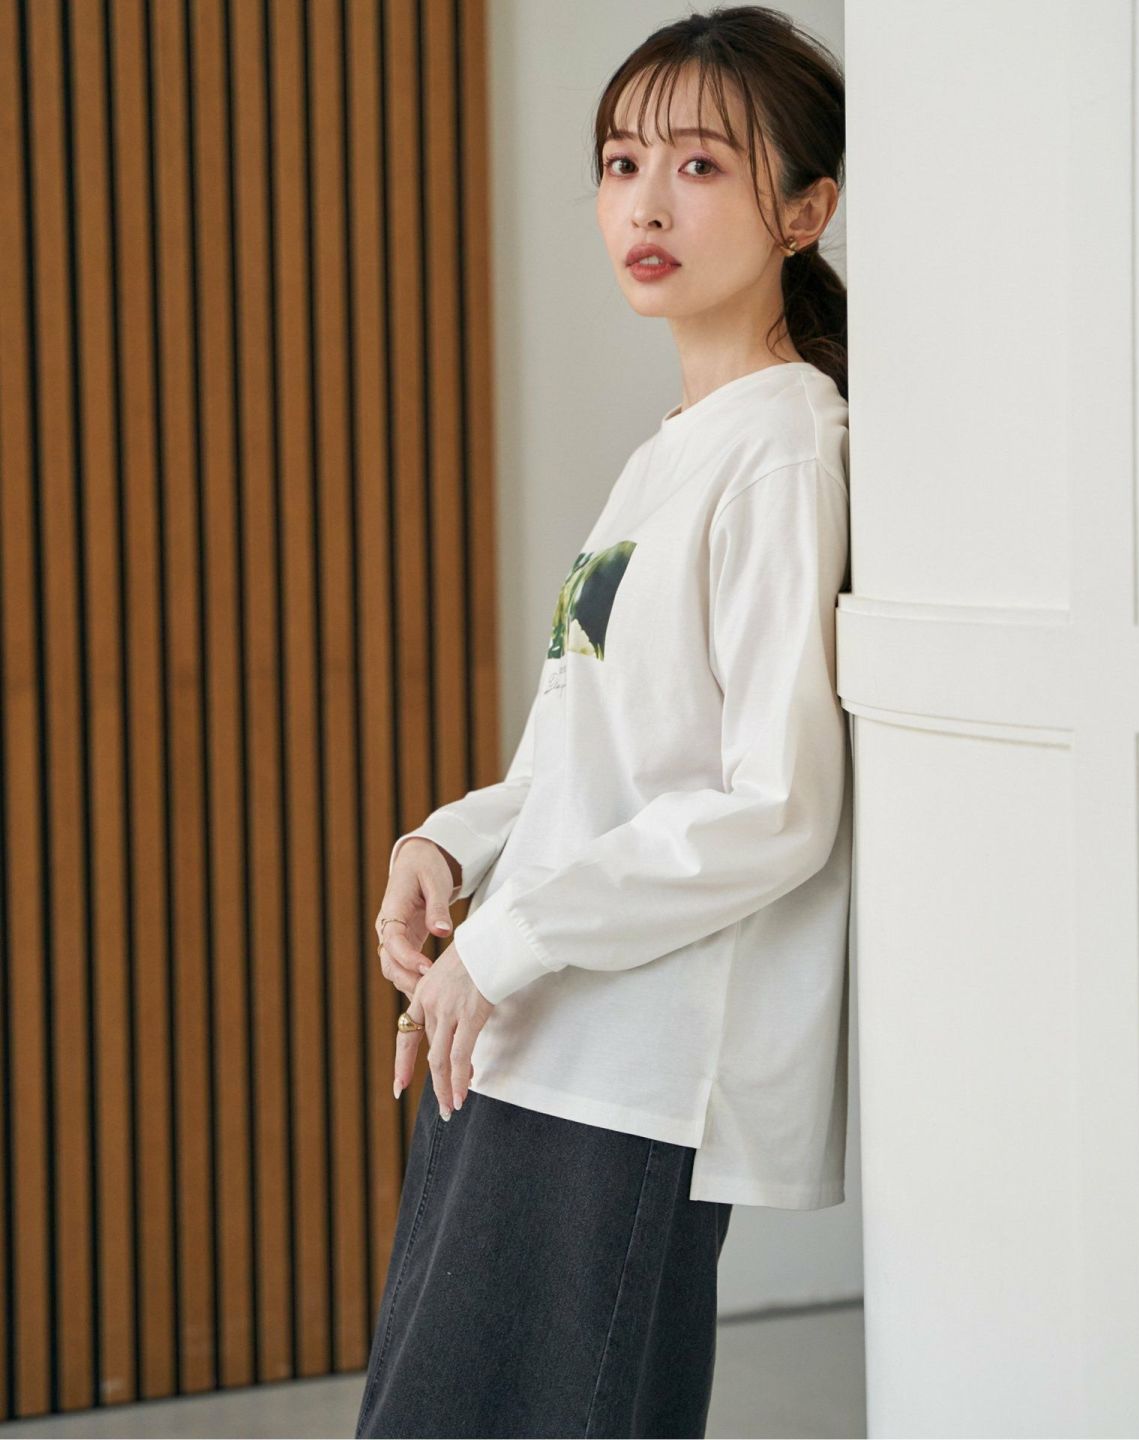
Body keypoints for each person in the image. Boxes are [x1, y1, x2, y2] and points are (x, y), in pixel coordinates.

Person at [356, 6, 850, 1436]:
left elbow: (774, 805)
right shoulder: (675, 452)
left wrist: (507, 942)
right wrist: (448, 845)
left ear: (805, 209)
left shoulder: (784, 450)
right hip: (525, 1034)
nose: (645, 202)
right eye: (623, 162)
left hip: (629, 1072)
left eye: (700, 165)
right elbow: (587, 753)